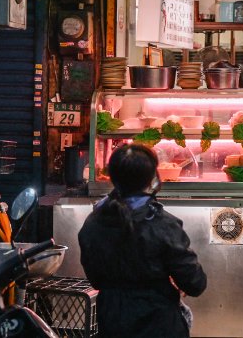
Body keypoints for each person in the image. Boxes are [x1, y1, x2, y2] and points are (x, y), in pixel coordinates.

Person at [78, 144, 207, 338]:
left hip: (112, 320)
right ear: (152, 178)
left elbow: (95, 278)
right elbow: (195, 283)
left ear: (112, 177)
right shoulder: (163, 223)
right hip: (159, 323)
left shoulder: (93, 222)